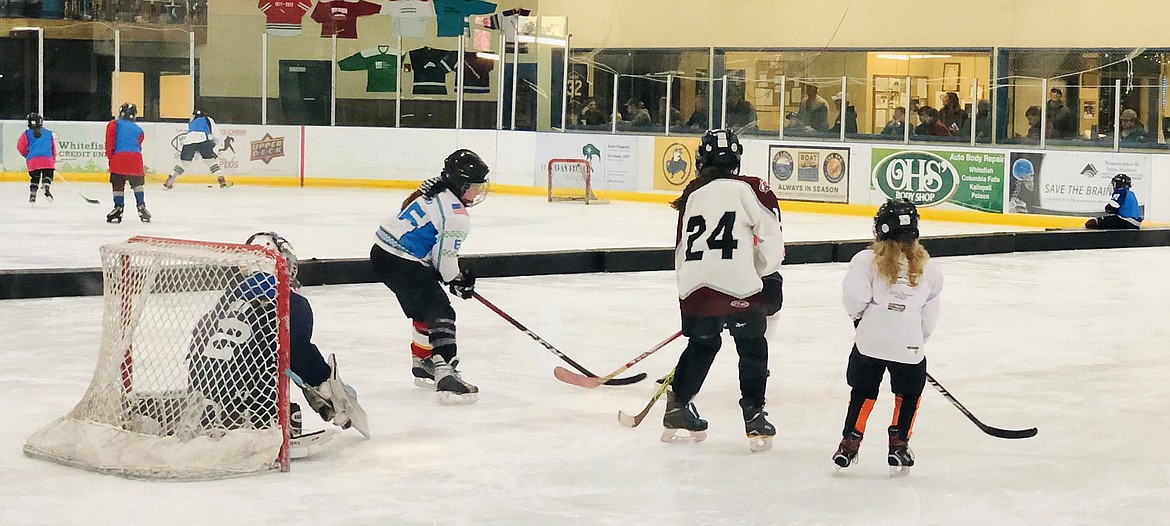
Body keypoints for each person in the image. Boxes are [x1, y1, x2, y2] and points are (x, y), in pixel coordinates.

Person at [664, 128, 785, 453]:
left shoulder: (692, 195)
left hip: (693, 288)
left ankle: (677, 406)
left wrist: (687, 292)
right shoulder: (746, 189)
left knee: (703, 343)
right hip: (739, 286)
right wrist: (762, 276)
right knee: (752, 347)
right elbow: (772, 243)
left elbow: (679, 251)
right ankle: (754, 414)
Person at [188, 232, 369, 446]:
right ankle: (251, 422)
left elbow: (200, 336)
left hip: (199, 398)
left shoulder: (230, 296)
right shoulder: (290, 302)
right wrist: (329, 393)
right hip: (246, 409)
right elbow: (299, 354)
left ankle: (212, 413)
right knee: (288, 408)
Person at [370, 149, 489, 405]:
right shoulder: (456, 215)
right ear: (461, 184)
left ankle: (424, 361)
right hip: (402, 260)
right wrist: (456, 279)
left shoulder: (435, 192)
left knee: (422, 307)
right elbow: (445, 265)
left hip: (381, 254)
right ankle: (446, 373)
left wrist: (452, 278)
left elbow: (434, 254)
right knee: (441, 311)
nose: (478, 192)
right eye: (474, 187)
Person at [834, 199, 943, 475]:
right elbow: (928, 320)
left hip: (869, 341)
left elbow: (854, 301)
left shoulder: (865, 261)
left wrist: (863, 323)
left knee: (863, 391)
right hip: (909, 344)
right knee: (908, 394)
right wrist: (913, 343)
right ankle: (899, 444)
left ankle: (850, 442)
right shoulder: (930, 269)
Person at [105, 103, 150, 223]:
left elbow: (110, 142)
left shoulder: (113, 124)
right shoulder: (139, 129)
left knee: (118, 183)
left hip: (119, 158)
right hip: (136, 159)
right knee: (137, 184)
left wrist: (110, 158)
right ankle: (141, 206)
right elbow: (138, 145)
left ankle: (118, 207)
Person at [165, 110, 230, 190]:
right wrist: (213, 145)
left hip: (188, 140)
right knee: (210, 161)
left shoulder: (192, 121)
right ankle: (221, 179)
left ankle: (170, 179)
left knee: (184, 163)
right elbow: (216, 134)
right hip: (203, 139)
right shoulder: (207, 119)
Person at [17, 113, 58, 205]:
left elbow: (20, 146)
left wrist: (26, 154)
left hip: (32, 161)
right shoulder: (48, 133)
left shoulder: (26, 134)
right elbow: (52, 148)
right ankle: (46, 186)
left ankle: (33, 194)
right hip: (47, 160)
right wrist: (53, 158)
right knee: (48, 175)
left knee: (34, 178)